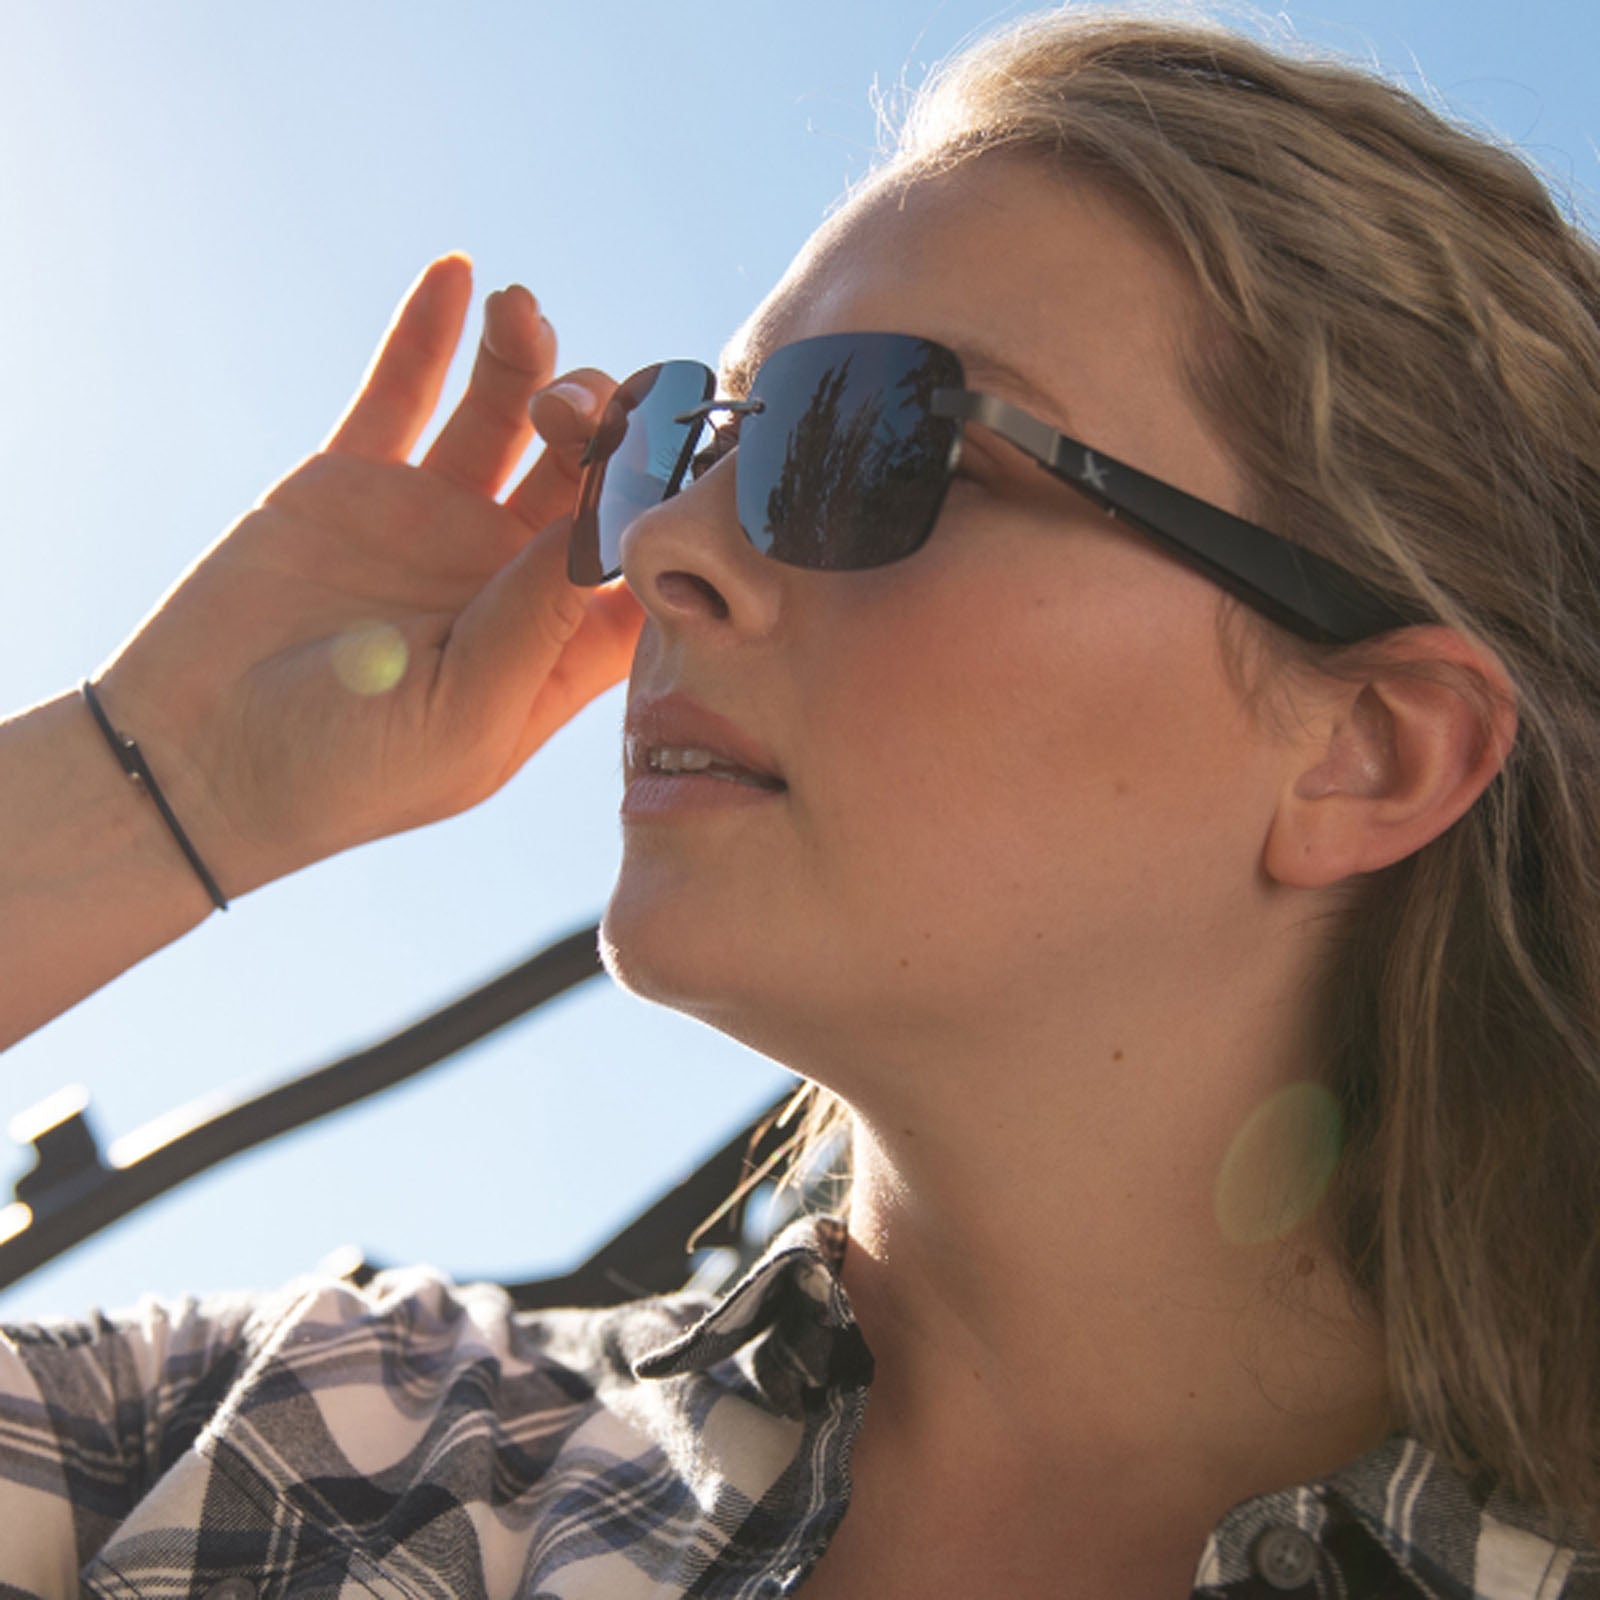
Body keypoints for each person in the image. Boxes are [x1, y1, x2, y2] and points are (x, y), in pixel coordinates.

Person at [2, 7, 1598, 1597]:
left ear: (1369, 751)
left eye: (889, 444)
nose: (662, 545)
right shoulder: (329, 1453)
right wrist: (159, 780)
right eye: (697, 441)